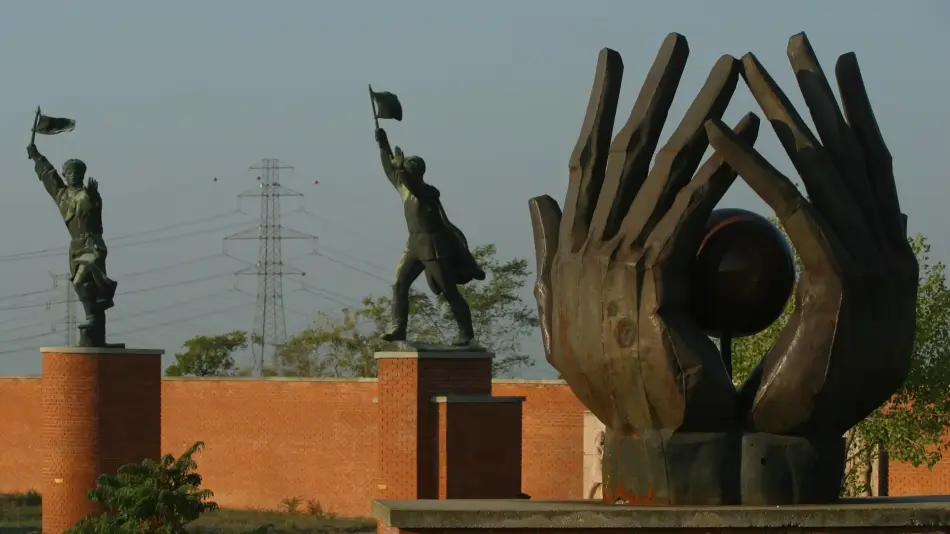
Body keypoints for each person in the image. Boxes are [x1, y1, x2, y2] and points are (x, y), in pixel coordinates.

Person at [374, 127, 484, 346]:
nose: (402, 171)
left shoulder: (429, 192)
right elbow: (389, 169)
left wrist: (402, 171)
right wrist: (382, 143)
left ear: (416, 172)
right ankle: (399, 328)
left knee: (448, 290)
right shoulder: (404, 188)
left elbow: (414, 187)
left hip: (434, 246)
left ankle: (466, 332)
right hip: (414, 245)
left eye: (406, 168)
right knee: (399, 284)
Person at [27, 142, 118, 347]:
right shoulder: (62, 195)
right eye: (70, 173)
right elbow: (48, 176)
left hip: (92, 244)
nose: (74, 176)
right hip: (76, 247)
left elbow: (94, 205)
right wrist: (35, 156)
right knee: (81, 285)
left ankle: (98, 307)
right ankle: (95, 316)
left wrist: (94, 197)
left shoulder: (87, 194)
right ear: (65, 175)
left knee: (81, 280)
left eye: (78, 174)